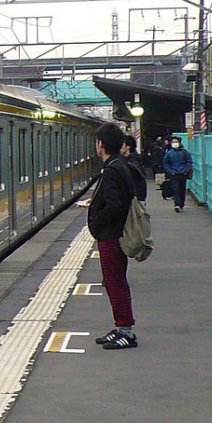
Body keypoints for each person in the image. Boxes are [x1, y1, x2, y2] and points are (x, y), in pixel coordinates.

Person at [87, 122, 137, 349]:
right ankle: (121, 328)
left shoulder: (112, 170)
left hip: (111, 236)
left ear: (101, 144)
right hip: (115, 233)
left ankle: (125, 331)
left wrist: (97, 220)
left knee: (114, 283)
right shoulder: (120, 165)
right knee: (116, 282)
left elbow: (115, 204)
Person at [162, 136, 193, 213]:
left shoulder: (185, 152)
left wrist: (186, 170)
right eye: (173, 142)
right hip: (174, 174)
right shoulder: (169, 153)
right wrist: (170, 171)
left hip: (183, 174)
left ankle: (181, 204)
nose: (174, 143)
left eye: (176, 142)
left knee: (182, 189)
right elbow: (165, 163)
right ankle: (177, 204)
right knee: (176, 189)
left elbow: (189, 162)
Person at [120, 135, 147, 201]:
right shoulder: (131, 160)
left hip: (133, 198)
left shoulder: (132, 163)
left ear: (128, 147)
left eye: (122, 145)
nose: (119, 147)